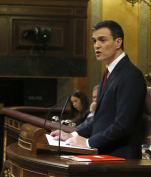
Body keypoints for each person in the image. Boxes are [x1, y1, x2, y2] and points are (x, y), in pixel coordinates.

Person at [51, 20, 147, 159]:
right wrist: (72, 135)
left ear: (118, 42)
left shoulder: (131, 75)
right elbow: (100, 120)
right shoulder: (107, 73)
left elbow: (123, 125)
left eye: (102, 40)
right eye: (94, 41)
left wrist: (88, 142)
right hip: (104, 152)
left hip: (121, 158)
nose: (97, 45)